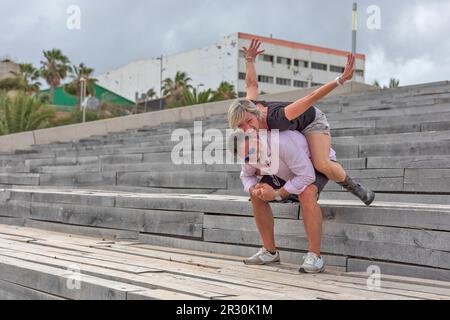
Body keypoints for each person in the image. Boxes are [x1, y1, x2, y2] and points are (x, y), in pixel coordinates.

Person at [228, 39, 375, 206]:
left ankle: (356, 188)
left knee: (321, 163)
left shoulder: (277, 116)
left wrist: (340, 80)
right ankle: (292, 191)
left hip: (311, 122)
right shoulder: (247, 108)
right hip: (291, 131)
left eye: (248, 122)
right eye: (240, 126)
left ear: (255, 114)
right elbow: (252, 84)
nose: (246, 129)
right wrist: (248, 60)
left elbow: (311, 98)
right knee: (270, 159)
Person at [228, 128, 336, 273]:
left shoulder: (280, 142)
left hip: (313, 163)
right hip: (285, 171)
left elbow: (307, 176)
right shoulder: (248, 153)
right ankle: (270, 252)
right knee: (256, 193)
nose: (252, 158)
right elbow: (246, 176)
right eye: (247, 158)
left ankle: (315, 256)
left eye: (252, 151)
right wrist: (254, 189)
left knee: (307, 193)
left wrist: (278, 194)